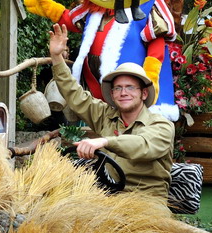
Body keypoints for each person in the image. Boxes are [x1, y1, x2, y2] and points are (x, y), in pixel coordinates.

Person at [48, 23, 174, 210]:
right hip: (108, 200)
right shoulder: (105, 115)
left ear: (144, 93)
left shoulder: (161, 126)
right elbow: (75, 95)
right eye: (118, 88)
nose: (123, 93)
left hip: (148, 204)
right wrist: (57, 57)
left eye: (130, 87)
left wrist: (105, 141)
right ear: (112, 94)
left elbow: (142, 144)